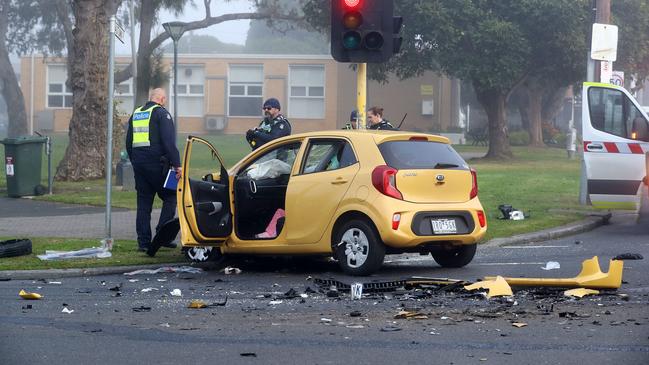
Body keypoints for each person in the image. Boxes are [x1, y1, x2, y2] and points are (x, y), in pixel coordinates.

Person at [126, 88, 182, 252]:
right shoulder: (161, 113)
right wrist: (178, 165)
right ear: (162, 99)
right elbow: (168, 142)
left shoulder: (136, 114)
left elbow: (129, 143)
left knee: (144, 204)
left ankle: (143, 243)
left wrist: (135, 161)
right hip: (159, 165)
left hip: (139, 165)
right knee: (171, 197)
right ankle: (162, 236)